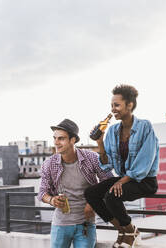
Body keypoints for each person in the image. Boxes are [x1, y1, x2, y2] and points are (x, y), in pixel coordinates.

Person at [84, 84, 159, 248]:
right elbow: (107, 163)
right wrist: (99, 142)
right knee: (91, 193)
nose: (113, 109)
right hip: (125, 179)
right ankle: (125, 231)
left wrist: (120, 182)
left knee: (112, 196)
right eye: (111, 105)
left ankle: (129, 232)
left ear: (129, 105)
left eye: (116, 105)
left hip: (144, 180)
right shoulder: (112, 131)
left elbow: (143, 165)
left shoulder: (145, 127)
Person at [37, 118, 113, 248]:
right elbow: (42, 192)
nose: (56, 142)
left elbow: (108, 180)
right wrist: (52, 200)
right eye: (54, 138)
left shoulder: (91, 158)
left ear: (73, 140)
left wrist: (93, 203)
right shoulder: (49, 163)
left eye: (61, 138)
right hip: (60, 224)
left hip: (86, 224)